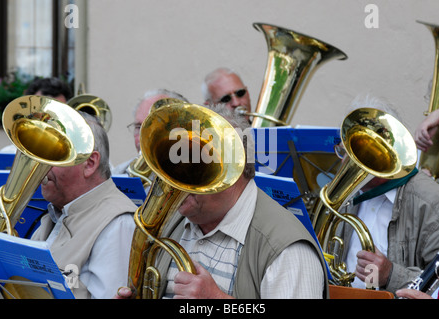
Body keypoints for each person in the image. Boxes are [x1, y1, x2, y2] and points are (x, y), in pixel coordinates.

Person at [116, 103, 328, 299]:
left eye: (198, 168)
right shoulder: (172, 220)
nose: (177, 181)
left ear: (233, 174)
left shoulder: (287, 249)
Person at [338, 95, 439, 295]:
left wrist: (390, 275)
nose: (346, 162)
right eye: (345, 150)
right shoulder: (346, 193)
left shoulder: (435, 203)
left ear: (387, 154)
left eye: (359, 152)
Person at [31, 112, 137, 299]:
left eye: (54, 156)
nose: (40, 166)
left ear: (89, 163)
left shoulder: (117, 224)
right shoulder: (56, 212)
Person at [111, 89, 188, 176]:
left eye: (155, 128)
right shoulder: (120, 173)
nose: (143, 138)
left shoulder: (201, 177)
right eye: (138, 127)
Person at [0, 77, 72, 153]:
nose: (47, 118)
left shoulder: (72, 159)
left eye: (57, 111)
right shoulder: (7, 153)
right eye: (41, 109)